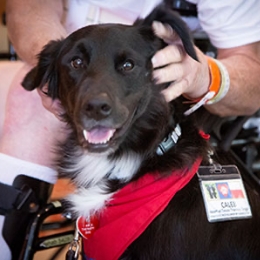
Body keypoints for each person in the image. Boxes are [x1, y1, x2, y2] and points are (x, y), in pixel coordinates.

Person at [1, 0, 260, 259]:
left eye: (127, 65)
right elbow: (26, 8)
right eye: (76, 62)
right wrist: (58, 65)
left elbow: (251, 74)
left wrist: (207, 75)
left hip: (175, 88)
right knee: (21, 97)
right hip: (64, 46)